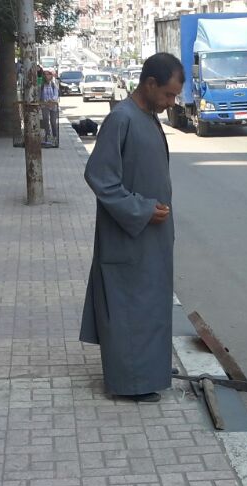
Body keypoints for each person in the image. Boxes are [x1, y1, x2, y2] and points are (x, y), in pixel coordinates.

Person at [80, 53, 184, 403]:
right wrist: (140, 209)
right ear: (150, 84)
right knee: (129, 308)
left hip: (150, 237)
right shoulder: (121, 119)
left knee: (151, 306)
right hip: (128, 236)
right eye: (168, 95)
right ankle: (131, 383)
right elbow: (100, 176)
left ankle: (149, 370)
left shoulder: (148, 118)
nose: (172, 103)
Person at [40, 69, 60, 148]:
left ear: (51, 76)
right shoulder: (42, 85)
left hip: (53, 105)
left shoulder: (54, 84)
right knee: (45, 119)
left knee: (53, 122)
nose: (46, 76)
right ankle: (47, 136)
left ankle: (55, 137)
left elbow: (56, 94)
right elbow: (40, 94)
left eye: (48, 75)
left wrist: (52, 100)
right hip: (44, 105)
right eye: (45, 75)